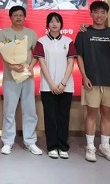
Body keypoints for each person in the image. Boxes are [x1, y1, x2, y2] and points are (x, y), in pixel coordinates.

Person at [75, 0, 110, 163]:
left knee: (106, 113)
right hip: (91, 80)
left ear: (106, 15)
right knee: (92, 113)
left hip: (109, 80)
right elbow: (79, 56)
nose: (99, 15)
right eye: (96, 12)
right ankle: (90, 147)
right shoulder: (84, 33)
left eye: (102, 12)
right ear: (91, 14)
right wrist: (84, 76)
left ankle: (105, 146)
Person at [0, 6, 43, 156]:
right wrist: (10, 65)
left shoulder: (31, 33)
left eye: (21, 15)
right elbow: (0, 53)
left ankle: (30, 141)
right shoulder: (4, 33)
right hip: (10, 77)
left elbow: (37, 53)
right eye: (15, 15)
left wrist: (30, 67)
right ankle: (7, 142)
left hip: (27, 77)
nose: (18, 18)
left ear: (24, 17)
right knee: (9, 110)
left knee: (30, 110)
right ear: (10, 17)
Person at [33, 12, 77, 159]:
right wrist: (52, 84)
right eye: (51, 21)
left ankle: (63, 147)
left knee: (63, 117)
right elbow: (42, 64)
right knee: (50, 117)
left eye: (57, 21)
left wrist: (63, 83)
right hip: (48, 86)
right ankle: (52, 146)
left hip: (66, 86)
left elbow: (71, 63)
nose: (54, 24)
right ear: (47, 25)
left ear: (61, 24)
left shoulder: (68, 41)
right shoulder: (41, 42)